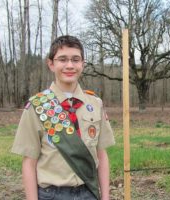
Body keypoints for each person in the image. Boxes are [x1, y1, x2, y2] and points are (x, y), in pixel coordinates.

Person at [11, 35, 115, 200]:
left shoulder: (95, 104)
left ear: (83, 64)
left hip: (89, 192)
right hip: (51, 194)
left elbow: (101, 155)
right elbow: (29, 162)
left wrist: (106, 197)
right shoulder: (37, 106)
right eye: (62, 59)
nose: (69, 65)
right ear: (51, 64)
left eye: (75, 59)